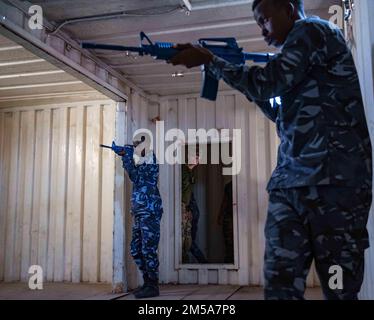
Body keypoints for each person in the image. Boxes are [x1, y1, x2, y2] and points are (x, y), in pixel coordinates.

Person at [170, 0, 372, 300]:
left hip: (333, 187)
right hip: (291, 186)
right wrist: (242, 78)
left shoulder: (312, 31)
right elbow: (280, 111)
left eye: (265, 19)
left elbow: (267, 82)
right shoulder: (301, 56)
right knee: (280, 285)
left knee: (339, 286)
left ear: (289, 8)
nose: (262, 29)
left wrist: (210, 60)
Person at [113, 135, 163, 299]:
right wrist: (124, 155)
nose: (135, 148)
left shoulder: (150, 161)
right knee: (136, 249)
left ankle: (153, 286)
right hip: (139, 212)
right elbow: (133, 172)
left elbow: (137, 175)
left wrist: (127, 155)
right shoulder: (140, 160)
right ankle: (148, 282)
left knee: (148, 249)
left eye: (137, 146)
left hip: (149, 211)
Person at [181, 150, 208, 263]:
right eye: (194, 156)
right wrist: (182, 209)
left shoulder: (190, 172)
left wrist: (189, 209)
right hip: (181, 209)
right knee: (184, 240)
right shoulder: (182, 170)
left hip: (186, 209)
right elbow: (179, 191)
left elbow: (188, 193)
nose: (196, 159)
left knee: (188, 240)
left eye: (198, 157)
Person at [217, 178, 234, 263]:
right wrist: (220, 216)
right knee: (229, 246)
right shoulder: (229, 186)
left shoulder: (230, 186)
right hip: (229, 219)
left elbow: (225, 202)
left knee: (230, 246)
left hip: (230, 219)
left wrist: (220, 217)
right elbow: (225, 202)